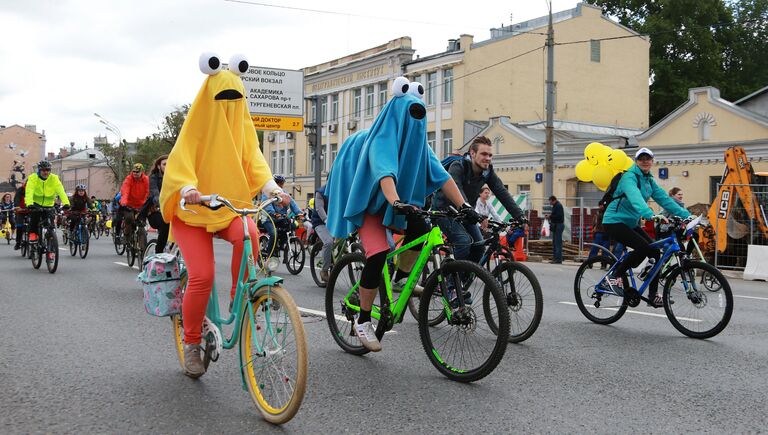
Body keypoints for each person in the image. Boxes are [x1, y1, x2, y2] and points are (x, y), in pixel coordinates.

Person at [159, 54, 290, 378]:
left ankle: (241, 295)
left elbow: (254, 159)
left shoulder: (242, 130)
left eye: (236, 99)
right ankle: (191, 342)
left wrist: (273, 189)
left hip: (227, 206)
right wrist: (188, 188)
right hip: (192, 213)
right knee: (202, 276)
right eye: (224, 98)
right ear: (210, 99)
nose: (231, 105)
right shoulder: (195, 128)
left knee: (250, 234)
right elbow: (181, 161)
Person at [326, 76, 468, 352]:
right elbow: (384, 170)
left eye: (419, 117)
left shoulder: (417, 145)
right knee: (377, 253)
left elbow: (441, 176)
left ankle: (402, 277)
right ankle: (364, 320)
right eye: (411, 116)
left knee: (422, 230)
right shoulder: (381, 139)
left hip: (395, 202)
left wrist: (465, 207)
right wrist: (395, 200)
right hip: (369, 204)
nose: (415, 123)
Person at [601, 148, 691, 307]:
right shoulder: (629, 177)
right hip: (613, 221)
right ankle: (614, 277)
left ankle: (652, 295)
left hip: (629, 223)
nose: (645, 161)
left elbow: (665, 199)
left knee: (655, 252)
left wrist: (686, 215)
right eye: (641, 158)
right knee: (642, 246)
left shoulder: (649, 180)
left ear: (652, 161)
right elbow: (635, 198)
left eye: (647, 158)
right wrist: (649, 214)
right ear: (636, 161)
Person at [432, 135, 525, 265]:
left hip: (466, 213)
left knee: (479, 246)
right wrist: (467, 208)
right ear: (473, 153)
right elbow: (457, 189)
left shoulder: (487, 173)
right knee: (464, 242)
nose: (487, 158)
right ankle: (450, 280)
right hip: (445, 211)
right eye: (484, 154)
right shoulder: (458, 166)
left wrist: (519, 215)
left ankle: (463, 279)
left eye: (490, 155)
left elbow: (502, 193)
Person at [25, 160, 70, 243]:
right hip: (36, 203)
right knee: (35, 218)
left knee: (50, 224)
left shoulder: (54, 178)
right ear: (39, 170)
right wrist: (29, 203)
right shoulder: (33, 178)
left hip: (49, 204)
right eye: (43, 170)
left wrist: (66, 203)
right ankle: (33, 234)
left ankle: (50, 239)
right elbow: (29, 191)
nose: (46, 172)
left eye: (48, 170)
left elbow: (61, 191)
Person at [261, 174, 303, 254]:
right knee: (274, 234)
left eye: (281, 183)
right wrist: (274, 213)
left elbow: (292, 204)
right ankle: (270, 254)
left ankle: (281, 244)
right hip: (268, 219)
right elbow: (267, 205)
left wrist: (300, 213)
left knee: (292, 226)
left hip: (281, 218)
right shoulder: (267, 193)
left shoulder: (285, 193)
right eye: (278, 182)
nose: (280, 185)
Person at [118, 163, 150, 242]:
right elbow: (125, 191)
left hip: (141, 205)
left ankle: (142, 247)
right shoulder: (129, 179)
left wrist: (146, 203)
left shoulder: (146, 179)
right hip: (129, 204)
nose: (135, 173)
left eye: (137, 172)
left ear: (142, 172)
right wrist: (124, 202)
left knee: (141, 223)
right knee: (129, 218)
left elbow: (148, 192)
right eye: (134, 171)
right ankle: (126, 235)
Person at [146, 155, 171, 254]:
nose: (167, 166)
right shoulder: (153, 178)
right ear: (158, 166)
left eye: (170, 164)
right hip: (155, 211)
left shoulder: (175, 177)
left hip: (170, 210)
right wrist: (160, 203)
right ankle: (158, 254)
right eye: (164, 164)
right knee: (165, 225)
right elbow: (155, 193)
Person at [311, 185, 333, 282]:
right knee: (328, 242)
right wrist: (327, 220)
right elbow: (319, 208)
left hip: (335, 221)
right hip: (320, 222)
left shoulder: (341, 189)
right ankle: (324, 271)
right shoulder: (320, 192)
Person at [587, 204, 609, 269]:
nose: (600, 206)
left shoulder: (607, 213)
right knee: (594, 249)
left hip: (605, 233)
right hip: (598, 233)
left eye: (602, 205)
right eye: (600, 205)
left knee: (605, 250)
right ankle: (590, 263)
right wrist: (594, 229)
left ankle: (604, 264)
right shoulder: (597, 213)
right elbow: (595, 222)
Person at [12, 179, 28, 249]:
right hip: (21, 211)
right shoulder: (20, 190)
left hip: (31, 211)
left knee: (35, 224)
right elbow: (16, 199)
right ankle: (18, 242)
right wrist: (17, 207)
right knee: (19, 226)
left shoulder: (35, 190)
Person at [548, 196, 564, 264]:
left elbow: (559, 216)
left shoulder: (558, 206)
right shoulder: (555, 206)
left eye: (550, 201)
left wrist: (550, 216)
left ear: (553, 200)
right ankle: (555, 258)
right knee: (555, 243)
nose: (549, 202)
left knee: (557, 243)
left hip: (559, 225)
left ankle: (558, 259)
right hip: (556, 226)